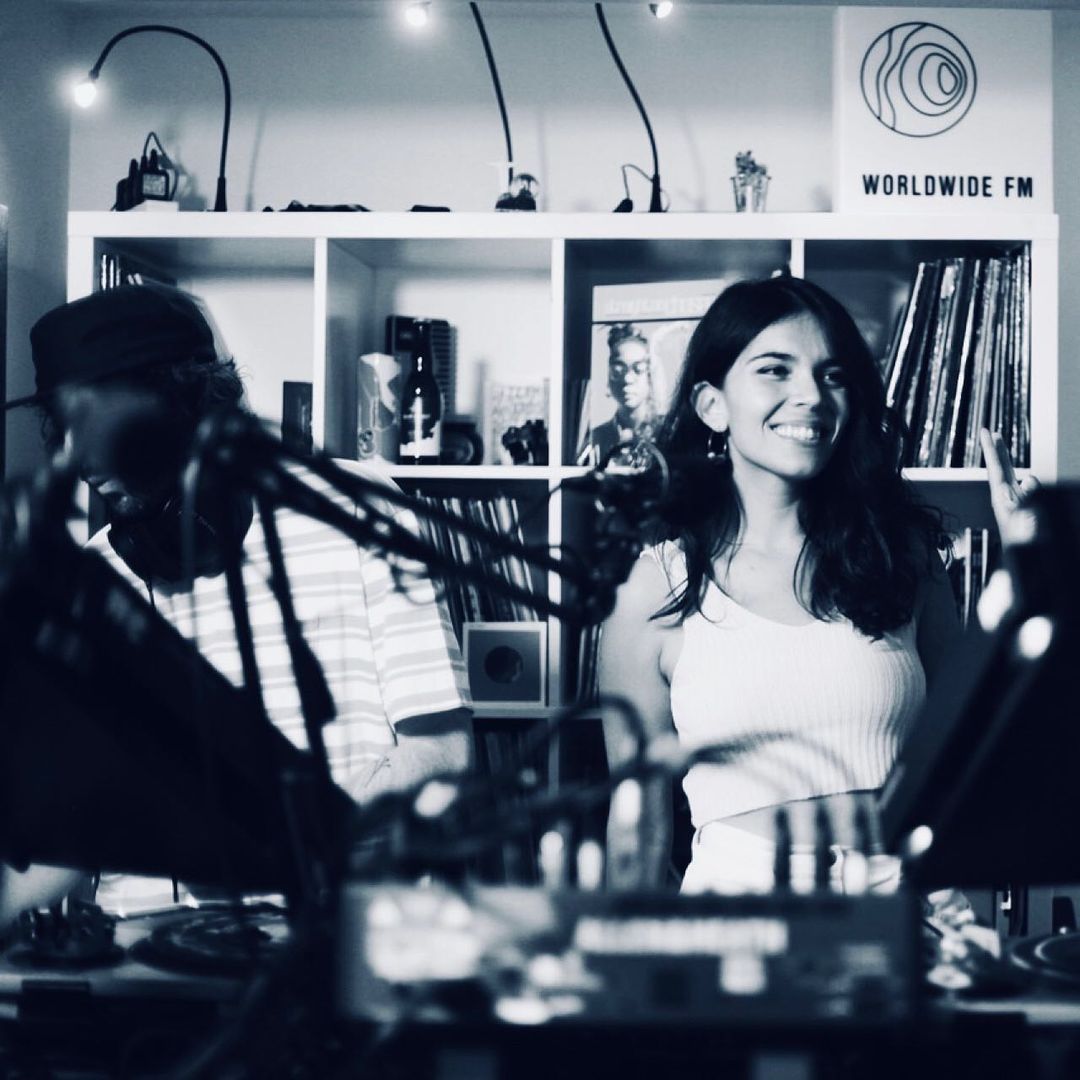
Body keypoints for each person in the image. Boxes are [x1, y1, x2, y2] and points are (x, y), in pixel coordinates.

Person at [0, 282, 473, 918]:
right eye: (61, 429)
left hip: (336, 934)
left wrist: (295, 845)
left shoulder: (359, 511)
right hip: (146, 956)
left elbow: (442, 753)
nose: (73, 458)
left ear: (181, 406)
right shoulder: (92, 583)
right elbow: (68, 833)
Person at [599, 275, 1032, 895]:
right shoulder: (652, 589)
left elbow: (977, 753)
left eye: (832, 376)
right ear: (712, 405)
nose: (811, 396)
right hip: (739, 904)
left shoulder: (903, 558)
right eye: (775, 370)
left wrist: (1028, 568)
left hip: (905, 896)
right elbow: (638, 827)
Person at [591, 324, 663, 460]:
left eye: (638, 369)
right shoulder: (596, 439)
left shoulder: (667, 433)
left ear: (650, 375)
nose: (627, 379)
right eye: (618, 370)